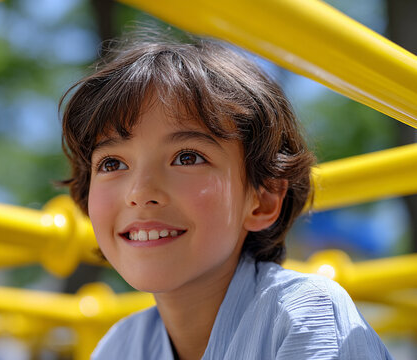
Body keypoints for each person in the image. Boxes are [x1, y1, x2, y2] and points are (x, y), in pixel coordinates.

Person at [59, 29, 393, 360]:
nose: (140, 192)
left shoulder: (304, 315)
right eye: (112, 163)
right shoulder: (121, 345)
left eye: (187, 157)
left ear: (263, 200)